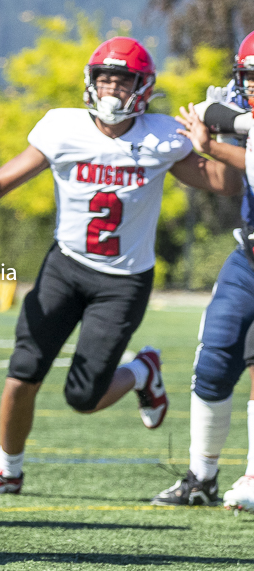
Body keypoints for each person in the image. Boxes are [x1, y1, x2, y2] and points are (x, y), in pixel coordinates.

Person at [0, 36, 242, 496]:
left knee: (83, 398)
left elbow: (223, 185)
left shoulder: (161, 134)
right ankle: (8, 471)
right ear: (89, 83)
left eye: (122, 81)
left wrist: (213, 140)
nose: (111, 90)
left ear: (142, 88)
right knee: (24, 369)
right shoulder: (63, 128)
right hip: (65, 267)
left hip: (122, 281)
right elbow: (3, 177)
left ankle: (142, 371)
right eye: (104, 79)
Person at [151, 31, 254, 509]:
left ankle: (252, 478)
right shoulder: (242, 105)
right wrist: (222, 126)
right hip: (247, 256)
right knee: (212, 361)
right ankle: (202, 476)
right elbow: (206, 110)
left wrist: (209, 142)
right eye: (250, 77)